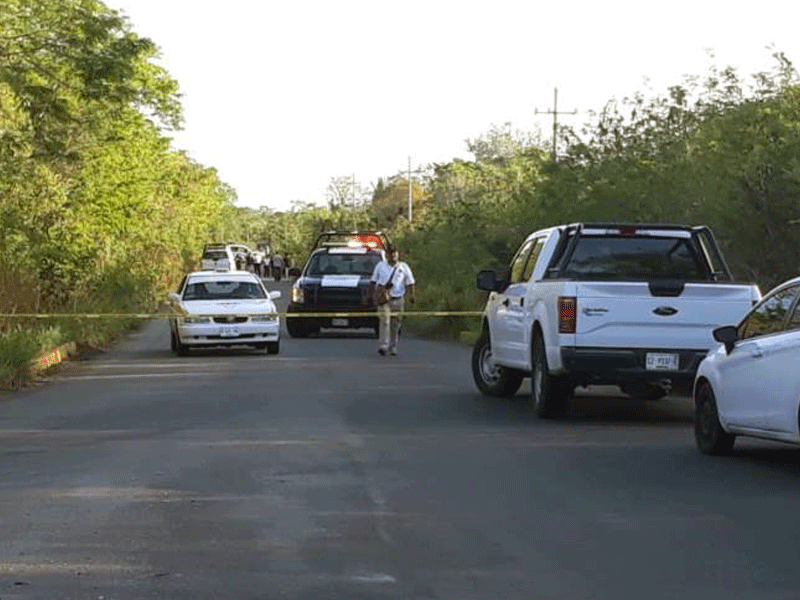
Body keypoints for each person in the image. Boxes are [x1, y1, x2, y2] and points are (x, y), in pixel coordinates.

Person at [369, 244, 415, 356]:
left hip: (398, 299)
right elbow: (373, 281)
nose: (393, 256)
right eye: (390, 254)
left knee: (395, 325)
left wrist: (412, 296)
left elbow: (410, 282)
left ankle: (393, 346)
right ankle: (383, 346)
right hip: (384, 300)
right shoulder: (380, 266)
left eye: (395, 253)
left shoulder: (403, 267)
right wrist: (371, 296)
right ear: (387, 255)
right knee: (385, 322)